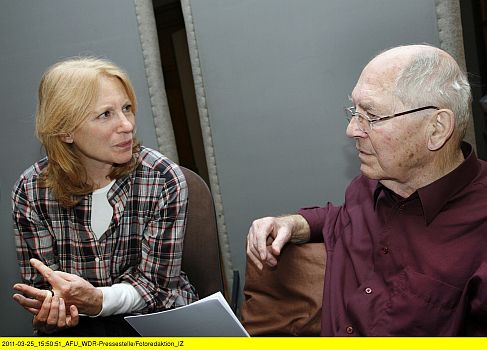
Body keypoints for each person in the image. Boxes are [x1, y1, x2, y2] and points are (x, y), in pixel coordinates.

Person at [246, 44, 487, 336]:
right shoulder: (371, 185)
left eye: (371, 116)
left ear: (437, 129)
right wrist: (293, 223)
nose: (351, 130)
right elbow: (340, 217)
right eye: (354, 111)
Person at [11, 57, 198, 336]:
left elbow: (159, 289)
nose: (126, 125)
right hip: (81, 331)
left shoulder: (162, 179)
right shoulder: (30, 191)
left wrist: (97, 300)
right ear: (65, 130)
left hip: (158, 324)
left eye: (127, 109)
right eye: (105, 114)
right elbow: (42, 287)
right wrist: (53, 308)